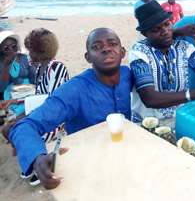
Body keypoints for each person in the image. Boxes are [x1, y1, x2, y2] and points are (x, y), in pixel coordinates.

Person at [9, 28, 132, 189]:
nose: (106, 49)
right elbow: (25, 126)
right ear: (88, 57)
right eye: (96, 46)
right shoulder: (74, 90)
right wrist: (37, 158)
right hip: (88, 164)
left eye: (112, 44)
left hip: (124, 157)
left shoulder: (127, 74)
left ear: (122, 52)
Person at [129, 0, 195, 127]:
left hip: (178, 121)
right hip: (147, 124)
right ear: (144, 33)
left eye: (167, 24)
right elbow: (149, 98)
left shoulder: (185, 47)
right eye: (156, 29)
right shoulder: (139, 51)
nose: (165, 31)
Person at [2, 28, 70, 185]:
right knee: (9, 129)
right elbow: (39, 95)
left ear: (38, 50)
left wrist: (25, 116)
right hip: (42, 114)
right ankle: (34, 163)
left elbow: (54, 104)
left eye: (30, 49)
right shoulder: (40, 68)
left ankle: (39, 164)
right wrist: (17, 104)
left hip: (56, 121)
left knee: (14, 128)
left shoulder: (56, 68)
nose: (28, 52)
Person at [0, 30, 35, 115]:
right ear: (1, 49)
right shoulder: (1, 63)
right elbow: (1, 88)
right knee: (22, 112)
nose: (11, 49)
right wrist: (6, 66)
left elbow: (34, 80)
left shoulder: (26, 58)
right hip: (11, 95)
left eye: (13, 46)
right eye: (6, 47)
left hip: (29, 91)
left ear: (17, 46)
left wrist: (35, 65)